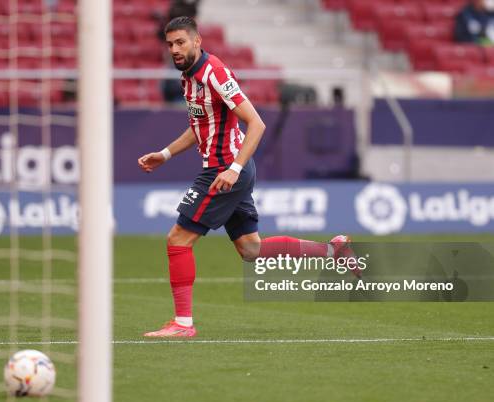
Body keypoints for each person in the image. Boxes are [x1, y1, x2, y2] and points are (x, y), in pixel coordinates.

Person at [137, 16, 359, 338]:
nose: (174, 49)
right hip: (227, 169)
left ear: (197, 41)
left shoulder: (215, 73)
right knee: (251, 250)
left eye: (181, 42)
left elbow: (256, 124)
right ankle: (331, 251)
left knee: (178, 239)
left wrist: (233, 169)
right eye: (170, 44)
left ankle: (182, 324)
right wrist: (166, 154)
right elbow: (200, 126)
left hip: (224, 170)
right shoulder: (188, 77)